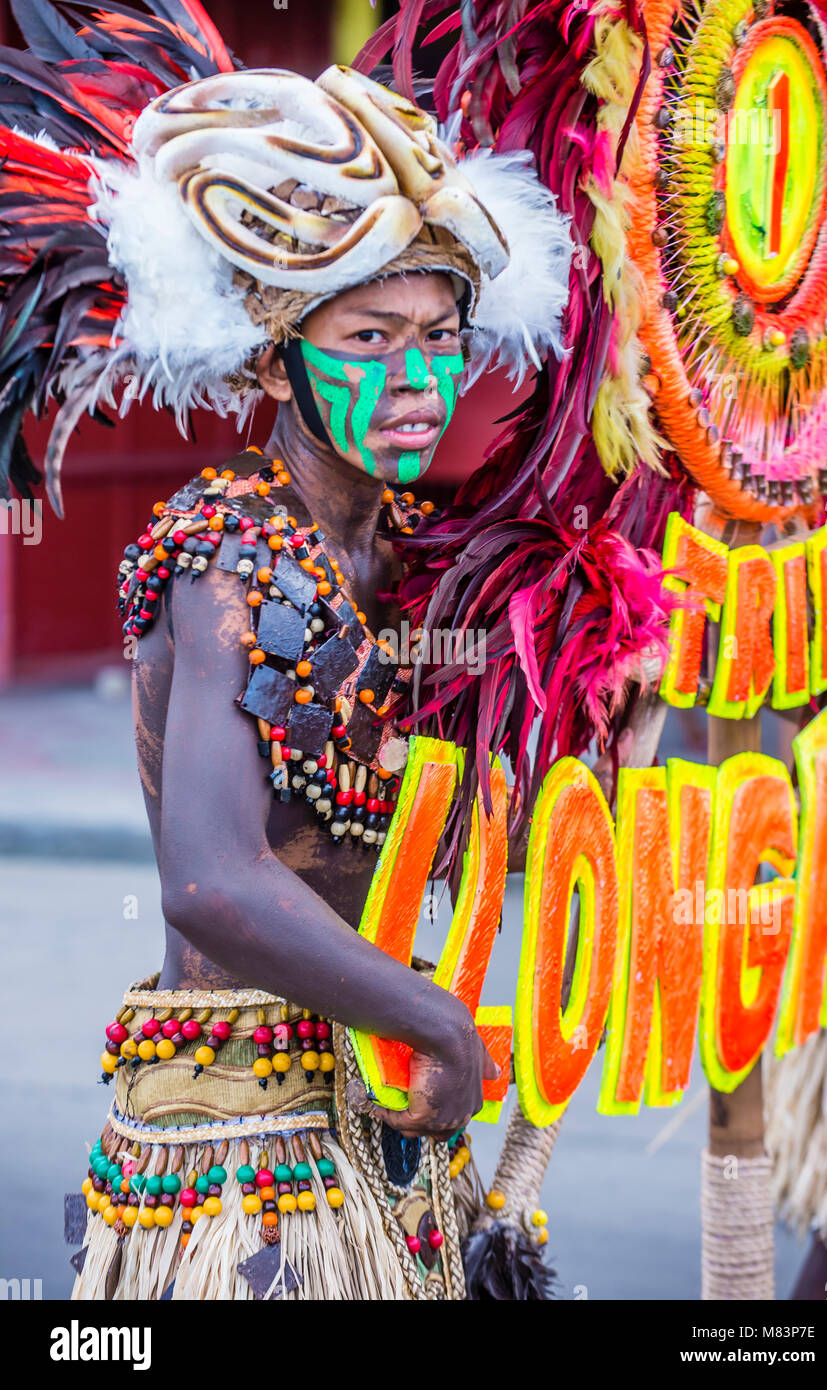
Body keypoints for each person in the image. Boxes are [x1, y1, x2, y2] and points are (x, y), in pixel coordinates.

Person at [0, 3, 571, 1299]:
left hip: (392, 1118)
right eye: (369, 338)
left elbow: (450, 817)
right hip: (235, 1143)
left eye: (438, 334)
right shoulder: (224, 556)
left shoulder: (431, 549)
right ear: (274, 363)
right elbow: (209, 881)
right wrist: (429, 1015)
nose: (419, 372)